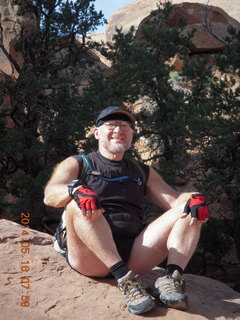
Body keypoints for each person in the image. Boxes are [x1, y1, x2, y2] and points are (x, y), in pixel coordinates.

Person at [44, 106, 209, 315]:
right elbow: (50, 195)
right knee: (77, 203)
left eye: (124, 126)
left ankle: (171, 279)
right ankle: (126, 281)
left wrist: (194, 199)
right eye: (110, 125)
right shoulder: (79, 163)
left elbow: (175, 201)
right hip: (90, 257)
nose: (118, 129)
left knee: (191, 207)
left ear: (131, 134)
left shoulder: (142, 171)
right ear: (96, 133)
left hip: (134, 255)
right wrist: (74, 189)